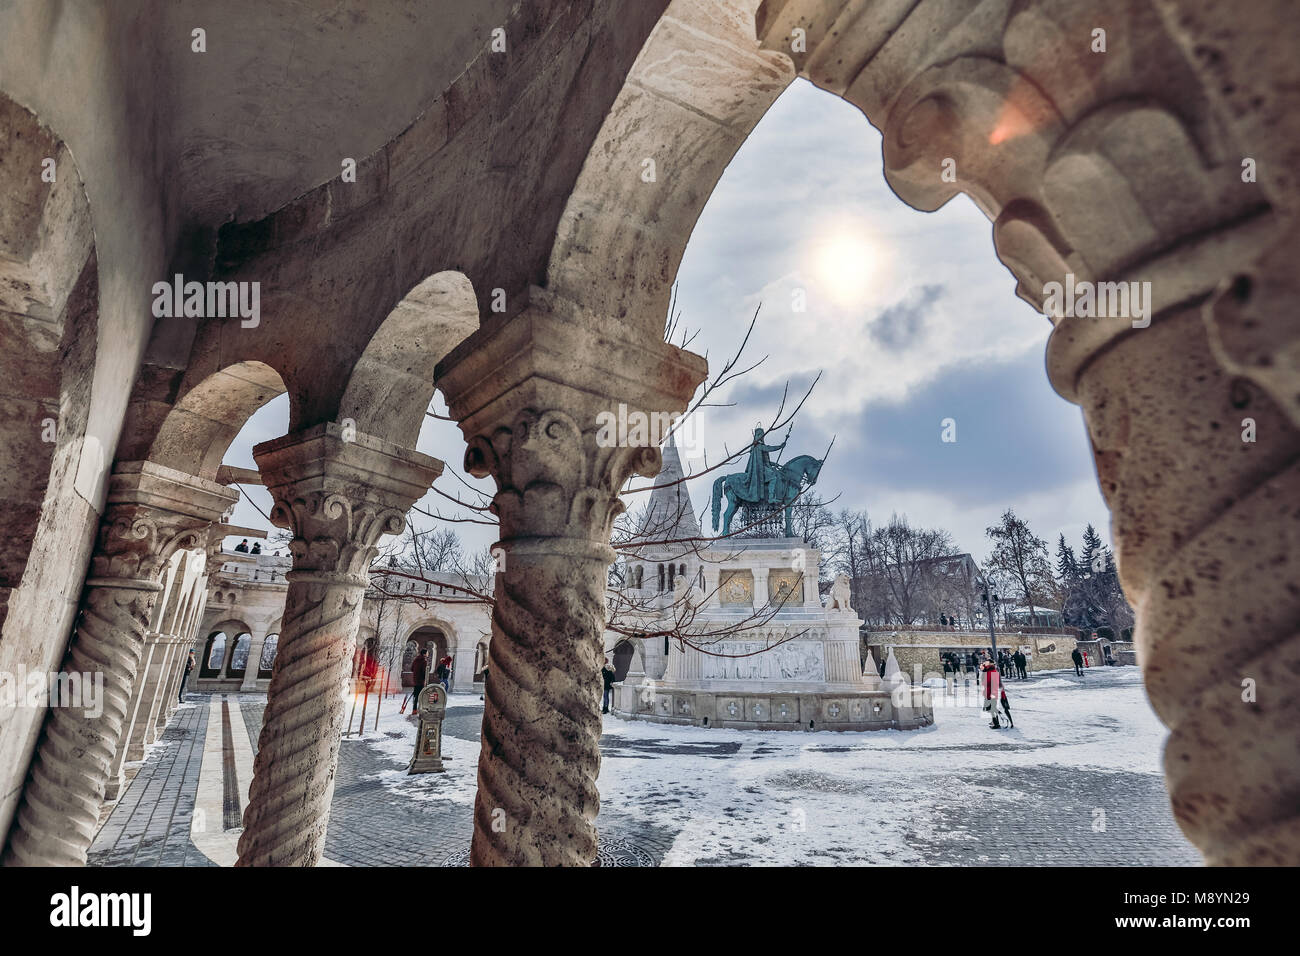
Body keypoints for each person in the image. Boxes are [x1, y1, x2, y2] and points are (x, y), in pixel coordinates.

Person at [981, 659, 1002, 729]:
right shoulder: (989, 671)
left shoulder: (991, 671)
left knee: (992, 709)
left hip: (991, 692)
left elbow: (987, 682)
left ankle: (996, 723)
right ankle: (994, 721)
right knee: (991, 708)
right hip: (989, 691)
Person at [410, 648, 427, 715]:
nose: (427, 654)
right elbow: (424, 672)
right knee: (421, 695)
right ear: (424, 654)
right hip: (420, 681)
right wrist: (424, 679)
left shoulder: (416, 660)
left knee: (416, 695)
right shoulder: (424, 661)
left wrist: (416, 674)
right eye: (427, 653)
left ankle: (414, 709)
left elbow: (412, 669)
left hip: (415, 680)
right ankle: (420, 709)